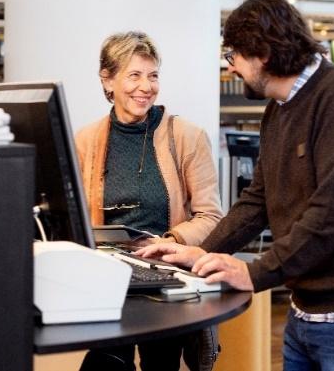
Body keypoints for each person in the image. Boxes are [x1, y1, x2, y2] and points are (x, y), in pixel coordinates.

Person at [138, 0, 334, 371]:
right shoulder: (278, 109)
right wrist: (203, 253)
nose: (230, 67)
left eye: (234, 56)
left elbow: (333, 215)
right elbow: (257, 201)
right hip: (308, 312)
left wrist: (253, 272)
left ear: (264, 55)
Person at [75, 31, 223, 371]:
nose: (146, 86)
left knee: (161, 363)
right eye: (134, 75)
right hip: (107, 280)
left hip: (166, 279)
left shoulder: (186, 137)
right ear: (108, 80)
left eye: (153, 75)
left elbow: (211, 217)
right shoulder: (86, 140)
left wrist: (169, 243)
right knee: (104, 363)